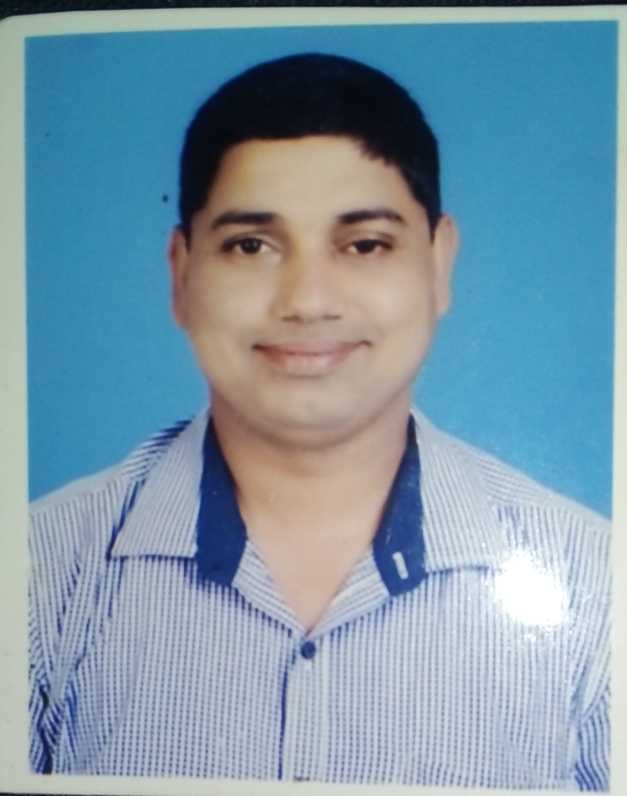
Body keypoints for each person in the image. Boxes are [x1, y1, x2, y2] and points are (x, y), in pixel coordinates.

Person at [28, 53, 610, 789]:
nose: (307, 300)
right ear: (182, 273)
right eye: (251, 246)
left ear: (438, 265)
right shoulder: (38, 577)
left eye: (364, 245)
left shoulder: (597, 592)